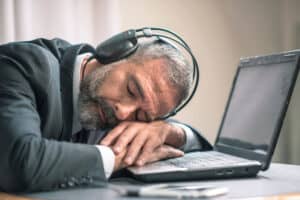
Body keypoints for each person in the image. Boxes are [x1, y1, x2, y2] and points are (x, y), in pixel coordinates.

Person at [0, 35, 211, 192]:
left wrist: (168, 131)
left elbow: (198, 143)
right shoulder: (23, 65)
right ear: (114, 53)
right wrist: (116, 157)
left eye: (141, 116)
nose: (123, 113)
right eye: (131, 90)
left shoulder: (115, 109)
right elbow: (19, 161)